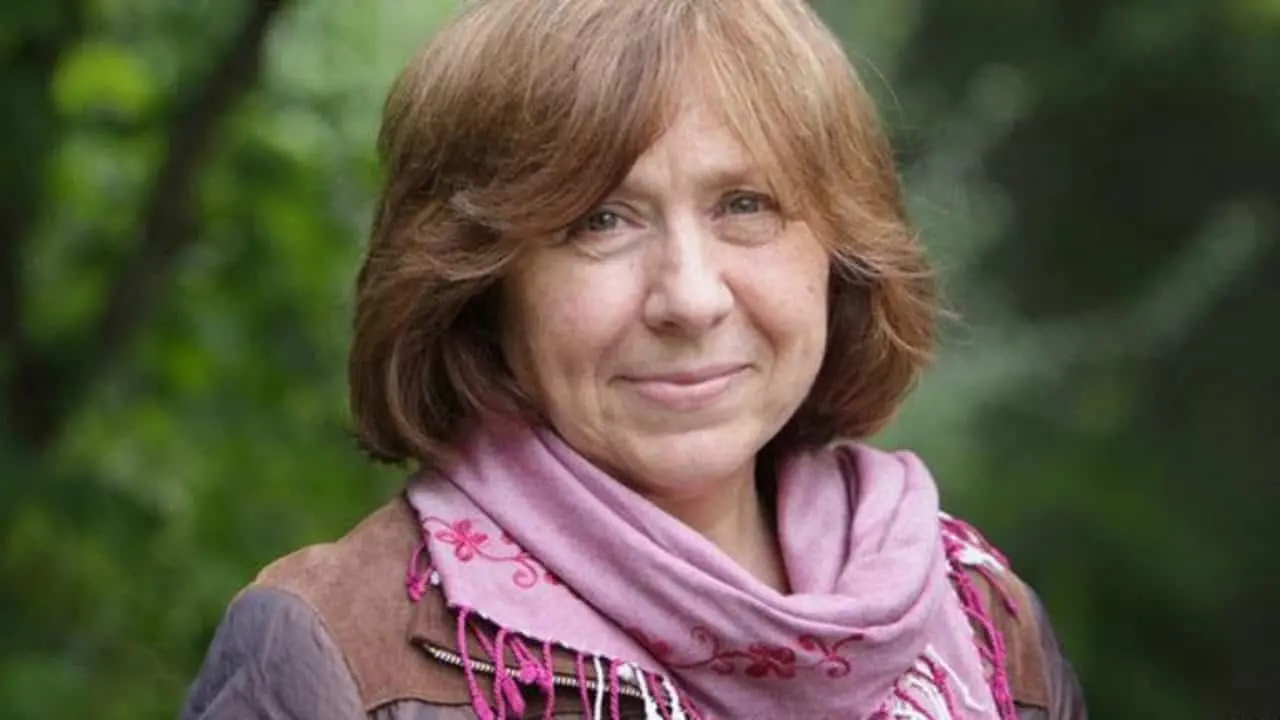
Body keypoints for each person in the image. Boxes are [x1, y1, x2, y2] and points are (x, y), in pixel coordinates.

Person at [180, 0, 1086, 718]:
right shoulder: (334, 652)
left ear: (840, 251)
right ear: (481, 285)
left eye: (745, 205)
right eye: (599, 221)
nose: (690, 298)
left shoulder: (982, 624)